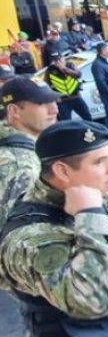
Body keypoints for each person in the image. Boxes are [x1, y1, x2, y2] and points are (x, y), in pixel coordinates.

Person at [0, 120, 108, 337]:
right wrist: (91, 215)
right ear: (63, 171)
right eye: (99, 161)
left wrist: (105, 166)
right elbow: (94, 302)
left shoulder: (96, 184)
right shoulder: (29, 239)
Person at [0, 77, 60, 229]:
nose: (54, 110)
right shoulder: (19, 165)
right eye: (42, 103)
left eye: (54, 101)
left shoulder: (29, 144)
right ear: (14, 111)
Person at [44, 52, 93, 122]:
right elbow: (46, 85)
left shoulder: (70, 65)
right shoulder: (50, 70)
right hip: (63, 101)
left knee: (87, 117)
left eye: (59, 60)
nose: (58, 62)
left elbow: (78, 74)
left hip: (76, 97)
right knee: (66, 122)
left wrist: (64, 69)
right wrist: (55, 97)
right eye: (55, 61)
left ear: (63, 58)